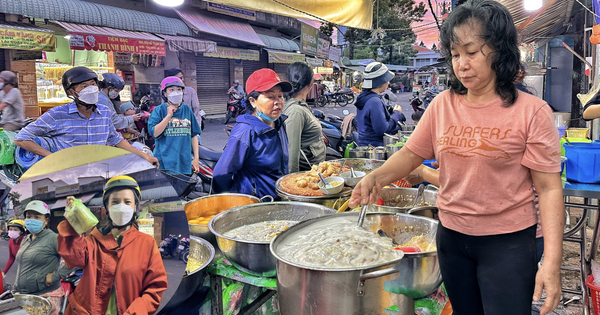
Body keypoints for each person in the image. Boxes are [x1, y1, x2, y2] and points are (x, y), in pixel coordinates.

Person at [349, 1, 563, 314]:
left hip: (509, 243)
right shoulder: (442, 105)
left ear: (500, 50)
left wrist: (553, 262)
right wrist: (375, 177)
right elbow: (411, 153)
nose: (461, 64)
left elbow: (549, 188)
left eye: (472, 52)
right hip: (452, 238)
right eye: (455, 54)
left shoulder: (532, 112)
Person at [57, 176, 167, 314]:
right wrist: (72, 220)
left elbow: (155, 289)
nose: (121, 207)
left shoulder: (147, 244)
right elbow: (73, 258)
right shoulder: (93, 240)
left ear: (135, 207)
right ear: (107, 207)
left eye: (127, 202)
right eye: (115, 202)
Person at [14, 67, 158, 167]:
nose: (91, 89)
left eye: (92, 84)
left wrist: (145, 156)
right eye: (83, 86)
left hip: (97, 174)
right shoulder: (57, 114)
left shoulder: (104, 112)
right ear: (71, 92)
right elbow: (21, 138)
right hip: (65, 177)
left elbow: (115, 140)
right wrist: (51, 158)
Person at [213, 69, 292, 198]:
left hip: (278, 202)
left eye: (280, 96)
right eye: (270, 97)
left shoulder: (279, 123)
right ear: (253, 101)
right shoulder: (245, 131)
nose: (278, 101)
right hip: (255, 206)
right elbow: (221, 173)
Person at [14, 201, 73, 315]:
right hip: (25, 296)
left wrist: (55, 276)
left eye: (37, 217)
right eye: (29, 216)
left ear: (46, 220)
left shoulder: (54, 238)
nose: (31, 220)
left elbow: (74, 260)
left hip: (45, 297)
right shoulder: (26, 239)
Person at [148, 77, 201, 176]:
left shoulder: (187, 110)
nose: (176, 92)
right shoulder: (159, 110)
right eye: (171, 90)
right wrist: (168, 116)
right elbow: (155, 133)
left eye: (179, 89)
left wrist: (196, 159)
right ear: (165, 93)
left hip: (184, 163)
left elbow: (194, 136)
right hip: (163, 163)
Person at [283, 62, 326, 172]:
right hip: (306, 174)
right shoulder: (295, 111)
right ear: (311, 83)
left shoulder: (300, 106)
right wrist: (292, 185)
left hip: (315, 172)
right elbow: (292, 153)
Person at [355, 62, 403, 146]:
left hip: (365, 146)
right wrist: (396, 113)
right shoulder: (374, 101)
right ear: (382, 81)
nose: (388, 83)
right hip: (375, 148)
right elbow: (383, 130)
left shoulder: (365, 97)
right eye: (387, 80)